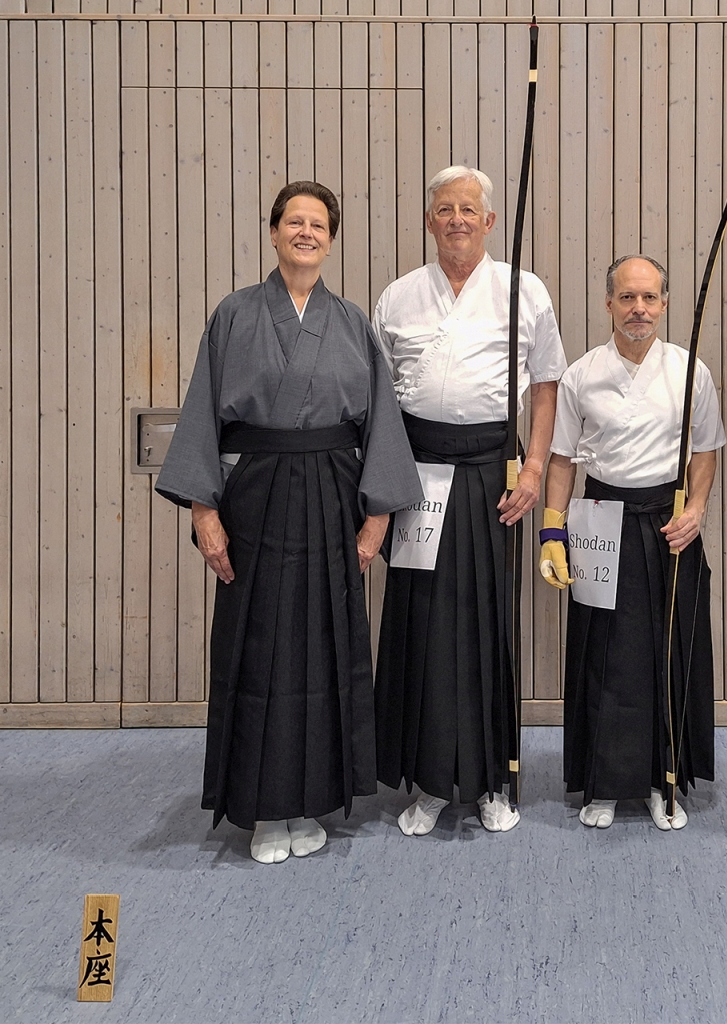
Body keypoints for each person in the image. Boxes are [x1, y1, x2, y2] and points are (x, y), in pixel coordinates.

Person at [156, 181, 421, 864]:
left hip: (333, 494)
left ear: (330, 240)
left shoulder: (352, 322)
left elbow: (380, 425)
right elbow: (202, 416)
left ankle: (312, 800)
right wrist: (205, 511)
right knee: (259, 645)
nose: (306, 233)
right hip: (256, 495)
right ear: (273, 233)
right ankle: (265, 809)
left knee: (328, 645)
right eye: (294, 222)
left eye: (318, 225)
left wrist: (375, 521)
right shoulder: (234, 314)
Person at [373, 165, 567, 836]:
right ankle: (429, 782)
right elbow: (378, 398)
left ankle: (490, 779)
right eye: (445, 209)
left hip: (494, 472)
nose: (456, 219)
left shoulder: (524, 290)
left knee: (488, 623)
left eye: (468, 210)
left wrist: (534, 466)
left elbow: (546, 385)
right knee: (421, 622)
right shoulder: (398, 296)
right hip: (417, 472)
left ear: (488, 221)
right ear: (429, 221)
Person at [540, 255, 725, 829]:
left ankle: (658, 780)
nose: (638, 309)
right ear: (608, 304)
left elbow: (705, 451)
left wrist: (695, 511)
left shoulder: (690, 371)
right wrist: (552, 531)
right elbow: (562, 459)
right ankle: (603, 782)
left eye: (649, 298)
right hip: (600, 521)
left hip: (668, 523)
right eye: (627, 297)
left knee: (667, 654)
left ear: (664, 304)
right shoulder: (581, 375)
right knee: (604, 655)